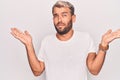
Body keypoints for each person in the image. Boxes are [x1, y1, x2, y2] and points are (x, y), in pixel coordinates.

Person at [11, 1, 120, 80]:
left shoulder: (85, 38)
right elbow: (37, 71)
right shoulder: (46, 41)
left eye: (64, 15)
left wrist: (104, 45)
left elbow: (94, 70)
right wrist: (29, 45)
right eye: (56, 16)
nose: (59, 20)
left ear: (73, 18)